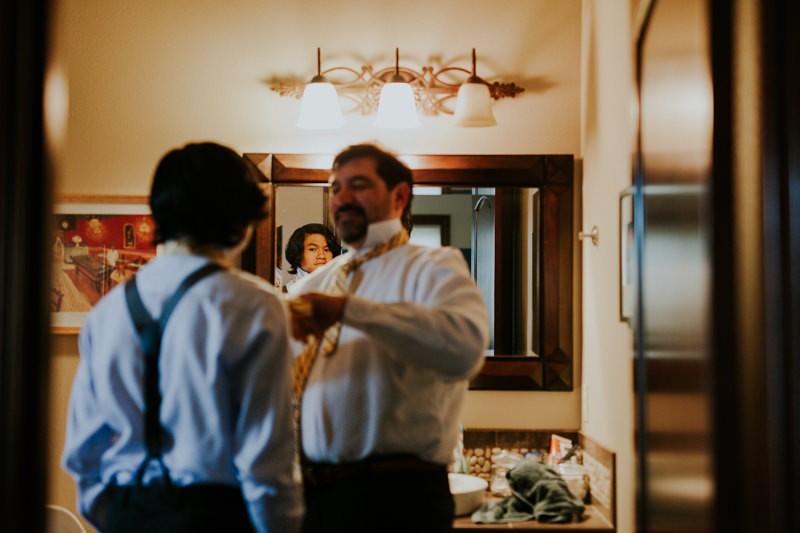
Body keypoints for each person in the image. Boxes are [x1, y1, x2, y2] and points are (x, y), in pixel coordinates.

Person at [62, 142, 303, 533]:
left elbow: (83, 453)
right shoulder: (255, 305)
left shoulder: (107, 312)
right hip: (217, 515)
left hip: (127, 511)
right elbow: (265, 457)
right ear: (240, 216)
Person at [287, 143, 489, 532]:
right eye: (336, 187)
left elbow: (464, 350)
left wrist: (349, 310)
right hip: (316, 496)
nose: (342, 198)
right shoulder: (312, 286)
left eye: (358, 185)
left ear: (399, 196)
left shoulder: (435, 267)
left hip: (399, 500)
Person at [283, 223, 341, 291]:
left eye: (326, 250)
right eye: (312, 249)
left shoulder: (344, 288)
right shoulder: (285, 293)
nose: (322, 256)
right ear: (297, 252)